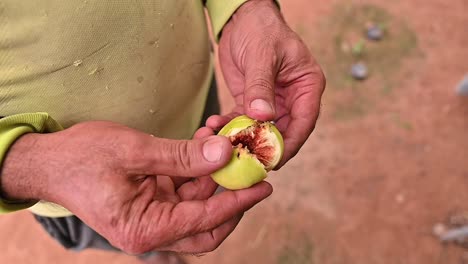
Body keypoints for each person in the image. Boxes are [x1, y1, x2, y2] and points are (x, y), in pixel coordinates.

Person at [0, 0, 325, 263]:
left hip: (194, 100)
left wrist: (240, 7)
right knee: (130, 233)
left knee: (182, 208)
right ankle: (155, 253)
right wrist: (28, 165)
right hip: (72, 185)